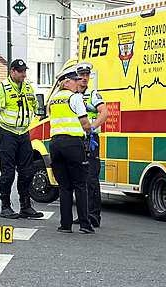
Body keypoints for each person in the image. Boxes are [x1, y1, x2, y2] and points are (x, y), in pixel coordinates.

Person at [0, 59, 44, 219]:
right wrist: (3, 102)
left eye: (25, 71)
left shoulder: (28, 88)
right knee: (8, 173)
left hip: (23, 134)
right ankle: (5, 207)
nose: (24, 74)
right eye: (21, 71)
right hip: (6, 134)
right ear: (12, 71)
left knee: (28, 172)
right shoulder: (1, 88)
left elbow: (35, 107)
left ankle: (25, 206)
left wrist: (36, 107)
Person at [48, 68, 103, 234]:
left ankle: (65, 225)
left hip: (55, 144)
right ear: (66, 82)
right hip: (73, 144)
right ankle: (85, 224)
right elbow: (84, 122)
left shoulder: (54, 99)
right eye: (75, 80)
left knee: (64, 186)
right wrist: (90, 131)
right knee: (80, 184)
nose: (78, 82)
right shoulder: (75, 98)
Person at [75, 62, 109, 227]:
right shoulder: (72, 95)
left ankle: (93, 215)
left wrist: (92, 128)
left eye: (87, 75)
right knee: (79, 178)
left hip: (91, 140)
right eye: (82, 76)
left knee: (91, 178)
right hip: (76, 140)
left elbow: (105, 113)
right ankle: (83, 214)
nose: (85, 79)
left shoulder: (92, 95)